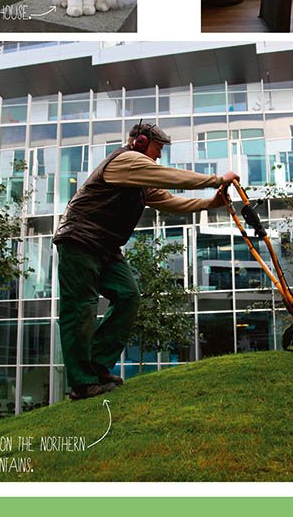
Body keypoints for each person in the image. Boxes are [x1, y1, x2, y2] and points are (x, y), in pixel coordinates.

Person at [52, 122, 239, 401]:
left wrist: (208, 204)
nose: (160, 155)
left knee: (128, 296)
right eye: (158, 148)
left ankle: (98, 366)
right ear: (140, 142)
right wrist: (215, 180)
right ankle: (82, 383)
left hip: (106, 247)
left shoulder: (139, 180)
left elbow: (167, 200)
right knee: (80, 310)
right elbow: (167, 176)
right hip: (80, 241)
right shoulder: (126, 160)